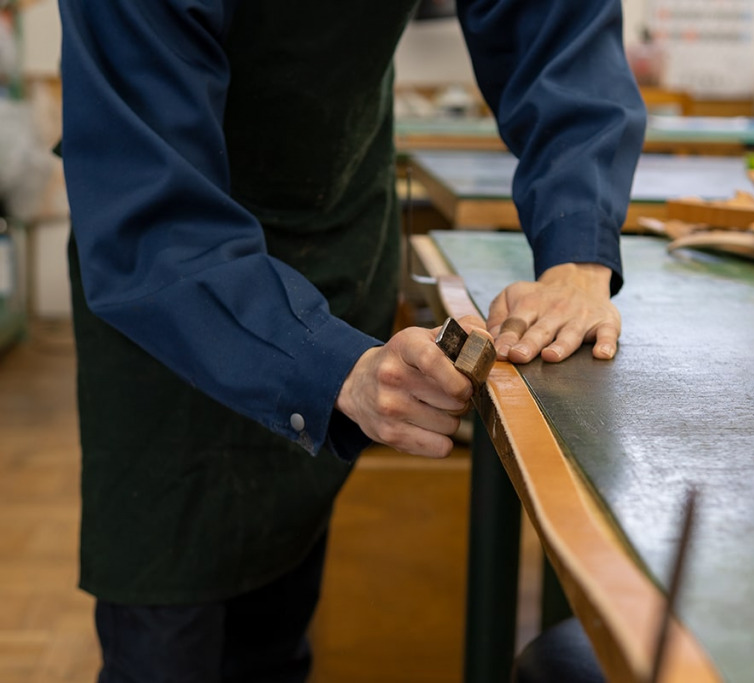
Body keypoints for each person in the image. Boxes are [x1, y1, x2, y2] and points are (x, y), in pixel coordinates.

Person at [56, 0, 645, 680]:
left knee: (274, 616)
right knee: (168, 639)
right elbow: (147, 208)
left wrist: (578, 246)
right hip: (168, 288)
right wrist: (331, 366)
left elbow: (556, 25)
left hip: (329, 233)